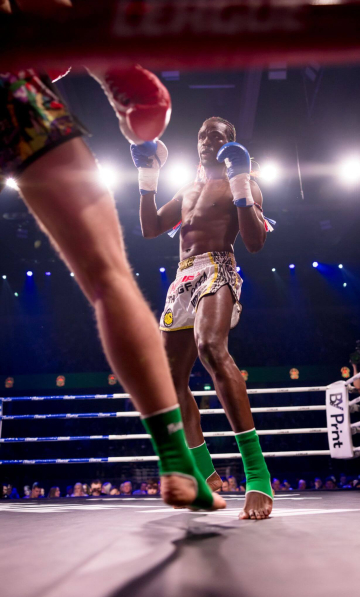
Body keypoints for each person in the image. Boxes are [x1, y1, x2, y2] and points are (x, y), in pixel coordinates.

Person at [0, 12, 223, 513]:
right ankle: (176, 461)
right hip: (11, 86)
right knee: (107, 276)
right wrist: (111, 73)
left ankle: (186, 465)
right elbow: (54, 14)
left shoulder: (224, 185)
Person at [133, 117, 273, 520]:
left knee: (211, 347)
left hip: (218, 266)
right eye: (202, 135)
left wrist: (241, 182)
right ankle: (205, 473)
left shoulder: (242, 183)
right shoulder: (187, 189)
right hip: (182, 276)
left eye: (217, 135)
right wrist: (148, 175)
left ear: (230, 143)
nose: (207, 140)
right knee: (169, 381)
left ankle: (258, 476)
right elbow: (149, 228)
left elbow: (255, 242)